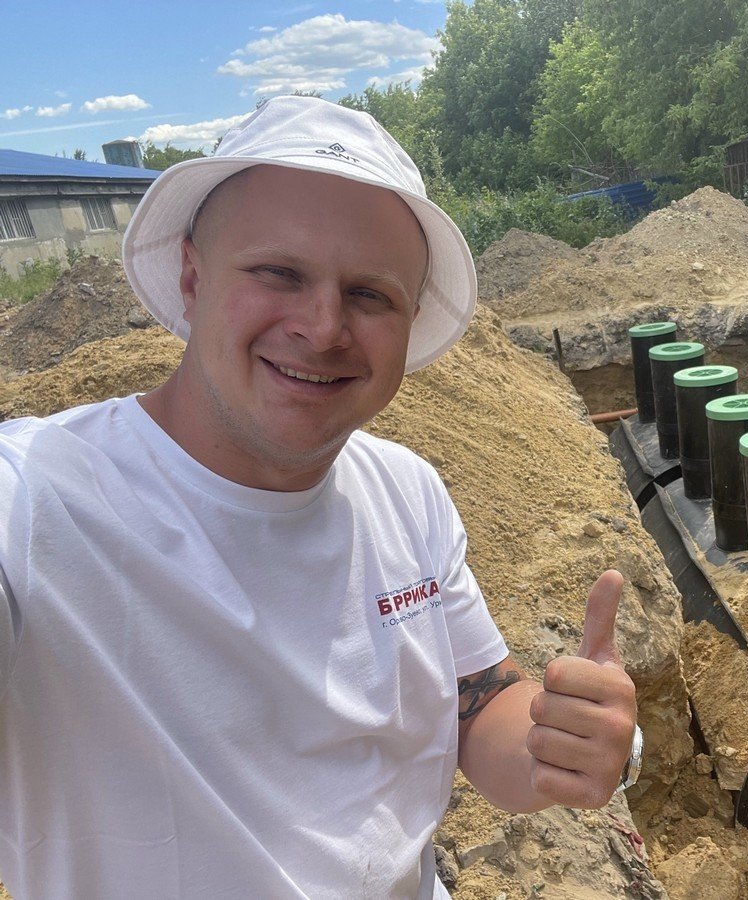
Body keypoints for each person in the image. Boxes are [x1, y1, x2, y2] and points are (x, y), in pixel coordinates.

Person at [0, 96, 639, 898]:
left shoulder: (407, 492)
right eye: (280, 273)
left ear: (409, 322)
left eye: (370, 294)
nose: (324, 326)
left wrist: (563, 745)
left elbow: (479, 710)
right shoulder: (35, 503)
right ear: (193, 278)